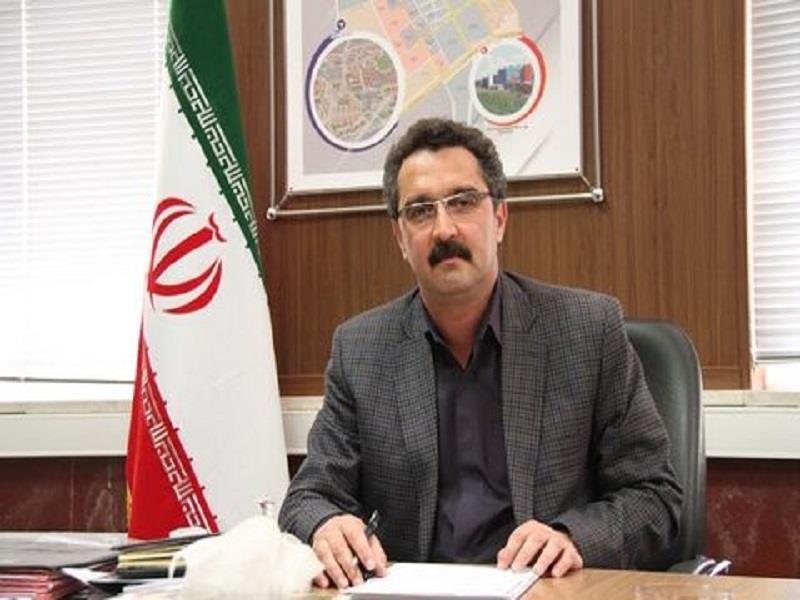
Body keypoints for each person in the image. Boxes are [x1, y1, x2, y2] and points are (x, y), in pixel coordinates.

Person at [278, 118, 682, 589]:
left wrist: (573, 538)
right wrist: (326, 523)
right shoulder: (362, 350)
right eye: (421, 211)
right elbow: (308, 496)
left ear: (500, 218)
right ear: (400, 239)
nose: (444, 229)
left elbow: (656, 497)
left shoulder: (587, 331)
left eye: (463, 202)